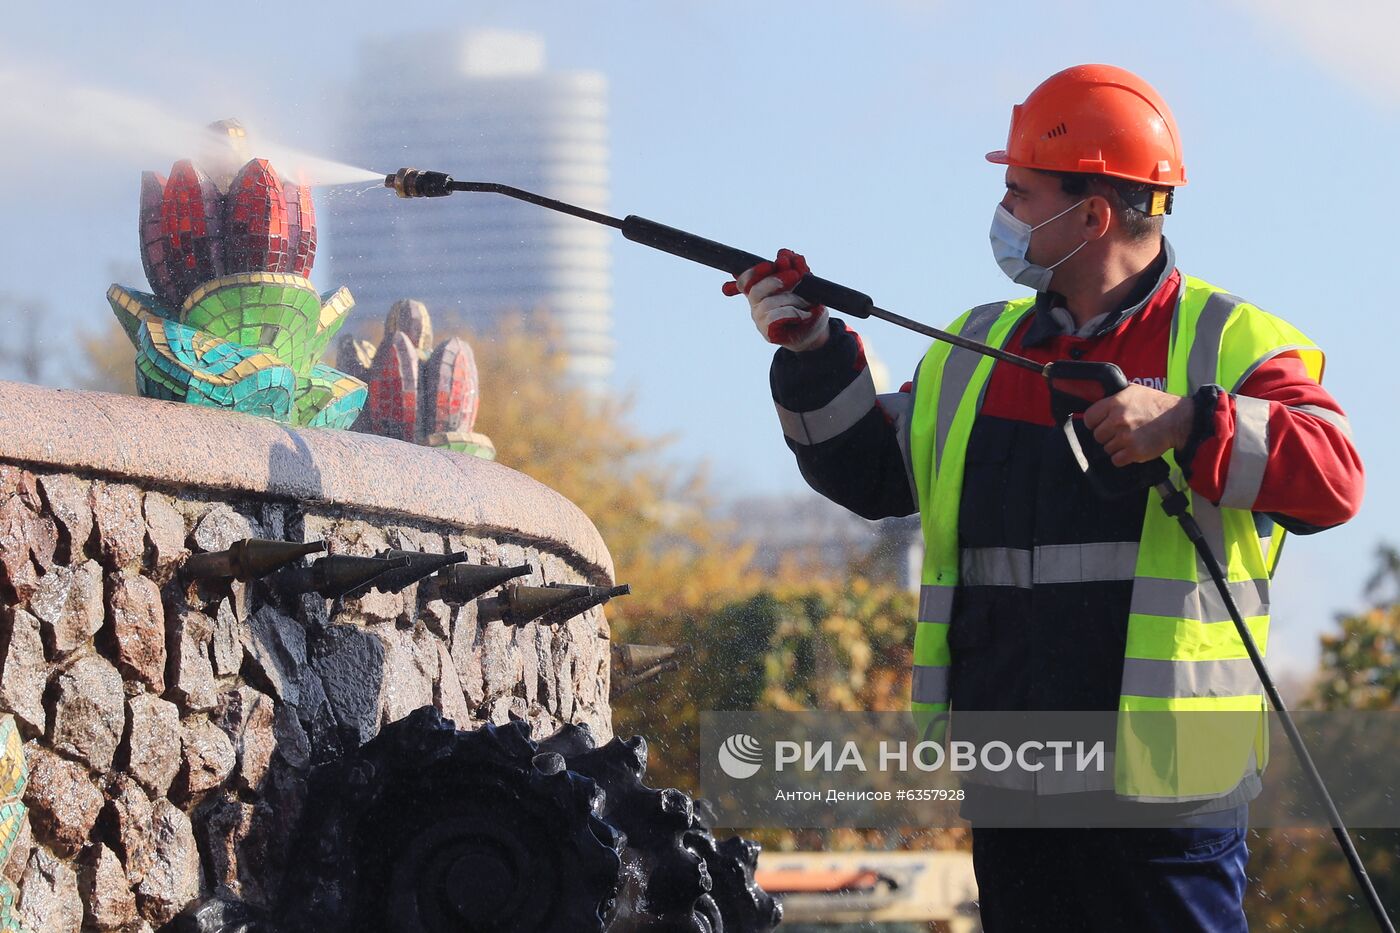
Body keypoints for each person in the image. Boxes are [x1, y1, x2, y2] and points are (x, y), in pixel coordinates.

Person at [723, 63, 1364, 931]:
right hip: (1015, 782)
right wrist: (812, 351)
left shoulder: (1229, 342)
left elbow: (1334, 479)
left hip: (1167, 794)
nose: (1005, 214)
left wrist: (1188, 422)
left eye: (1019, 194)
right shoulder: (975, 348)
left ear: (1092, 214)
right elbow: (869, 470)